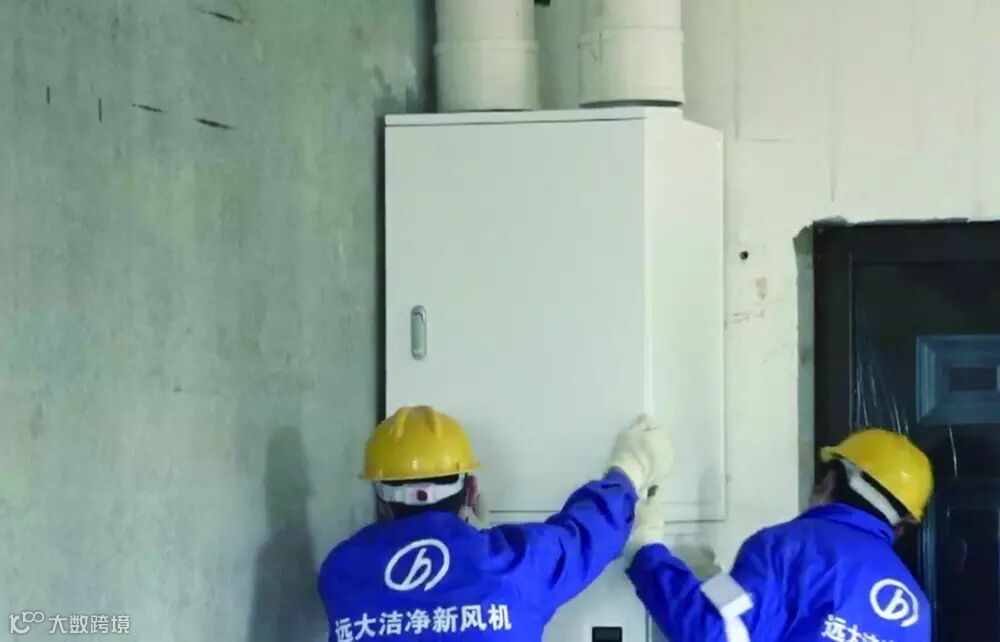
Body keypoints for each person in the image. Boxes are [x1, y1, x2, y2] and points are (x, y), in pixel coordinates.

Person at [317, 405, 673, 642]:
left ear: (381, 501)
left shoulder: (340, 571)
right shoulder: (512, 564)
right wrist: (630, 468)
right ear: (471, 490)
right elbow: (583, 535)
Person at [625, 428, 934, 642]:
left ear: (832, 479)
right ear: (900, 526)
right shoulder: (916, 611)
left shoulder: (788, 547)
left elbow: (719, 634)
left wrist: (646, 551)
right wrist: (716, 585)